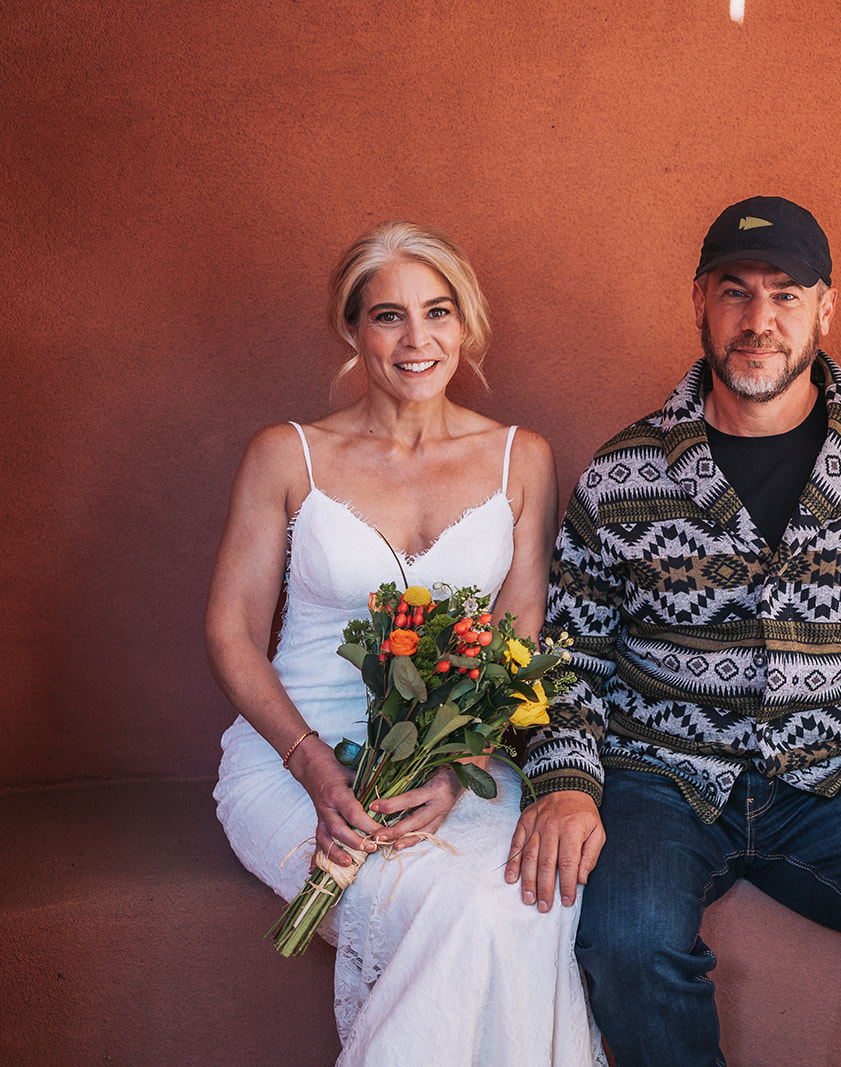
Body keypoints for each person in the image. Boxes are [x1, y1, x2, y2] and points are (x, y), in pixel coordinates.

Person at [506, 196, 841, 1066]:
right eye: (735, 292)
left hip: (838, 775)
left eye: (785, 293)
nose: (759, 320)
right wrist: (567, 779)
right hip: (659, 774)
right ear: (699, 300)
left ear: (825, 306)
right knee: (624, 942)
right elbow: (569, 652)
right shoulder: (627, 473)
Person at [206, 221, 605, 1066]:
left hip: (459, 759)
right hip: (294, 758)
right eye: (388, 315)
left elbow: (519, 637)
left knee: (531, 896)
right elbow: (231, 632)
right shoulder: (287, 455)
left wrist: (453, 766)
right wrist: (314, 766)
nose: (416, 340)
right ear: (352, 329)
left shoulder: (520, 459)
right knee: (452, 907)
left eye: (438, 312)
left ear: (467, 324)